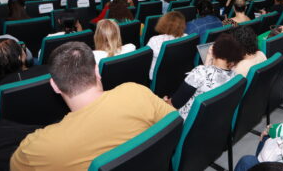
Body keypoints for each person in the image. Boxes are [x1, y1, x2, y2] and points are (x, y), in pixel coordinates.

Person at [10, 42, 175, 170]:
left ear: (55, 86)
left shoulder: (35, 149)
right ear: (97, 71)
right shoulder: (137, 92)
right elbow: (175, 123)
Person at [166, 33, 244, 119]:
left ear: (215, 51)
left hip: (185, 120)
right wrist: (209, 59)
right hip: (210, 120)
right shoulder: (234, 76)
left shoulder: (199, 73)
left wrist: (164, 102)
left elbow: (175, 104)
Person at [146, 11, 187, 80]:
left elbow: (146, 61)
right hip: (178, 73)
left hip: (156, 77)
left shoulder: (154, 40)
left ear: (163, 24)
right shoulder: (186, 37)